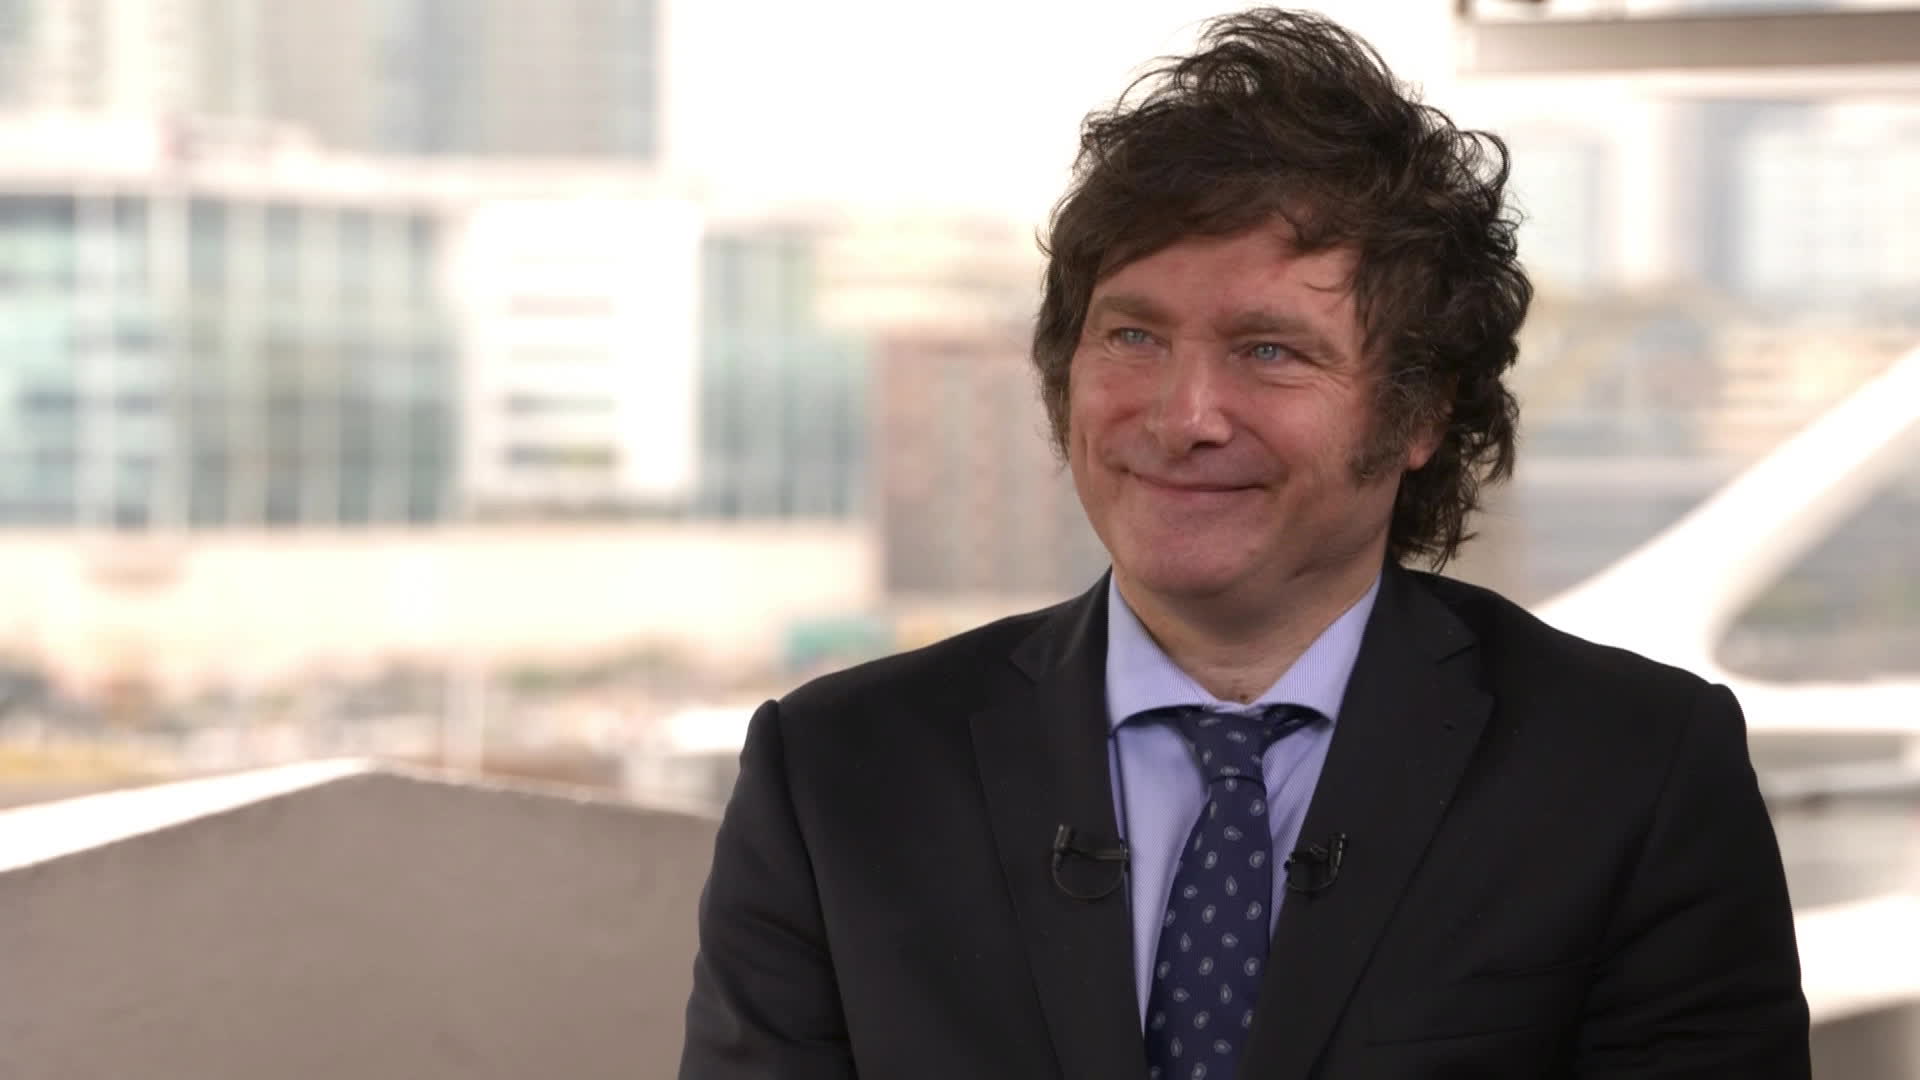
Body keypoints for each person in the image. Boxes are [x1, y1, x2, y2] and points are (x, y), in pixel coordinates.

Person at [679, 8, 1809, 1078]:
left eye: (1270, 351)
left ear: (1417, 413)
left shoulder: (1634, 774)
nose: (1183, 417)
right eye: (1132, 335)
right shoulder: (837, 778)